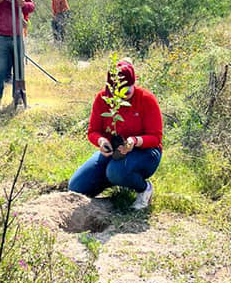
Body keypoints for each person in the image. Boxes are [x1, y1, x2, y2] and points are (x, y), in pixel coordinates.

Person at [68, 58, 162, 209]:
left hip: (145, 152)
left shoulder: (146, 100)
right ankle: (116, 177)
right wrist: (101, 141)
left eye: (127, 91)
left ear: (134, 83)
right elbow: (93, 131)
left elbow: (155, 138)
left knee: (115, 171)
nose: (123, 96)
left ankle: (144, 189)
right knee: (76, 187)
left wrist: (134, 141)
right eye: (118, 92)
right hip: (114, 152)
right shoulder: (102, 99)